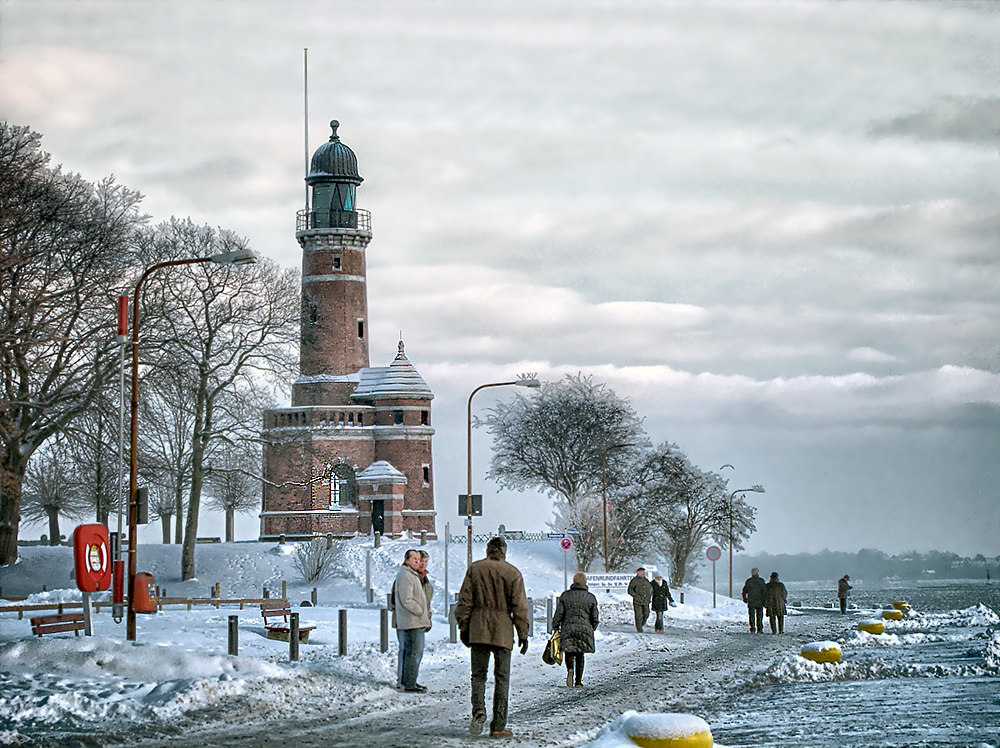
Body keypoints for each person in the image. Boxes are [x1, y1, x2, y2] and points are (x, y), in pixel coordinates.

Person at [455, 536, 530, 738]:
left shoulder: (475, 569)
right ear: (504, 551)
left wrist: (464, 626)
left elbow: (464, 601)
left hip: (478, 628)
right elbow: (520, 607)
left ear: (487, 550)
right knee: (502, 679)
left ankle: (478, 709)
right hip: (503, 631)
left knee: (478, 675)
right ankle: (498, 725)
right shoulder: (513, 573)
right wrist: (523, 633)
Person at [551, 571, 599, 687]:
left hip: (568, 627)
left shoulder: (565, 596)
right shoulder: (590, 597)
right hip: (584, 628)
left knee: (569, 651)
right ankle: (578, 681)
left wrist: (555, 626)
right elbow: (595, 616)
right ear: (585, 582)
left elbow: (559, 613)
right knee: (580, 655)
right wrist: (592, 627)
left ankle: (570, 670)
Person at [394, 548, 431, 693]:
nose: (418, 562)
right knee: (413, 652)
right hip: (411, 621)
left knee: (414, 652)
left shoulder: (411, 575)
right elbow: (406, 600)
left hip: (415, 620)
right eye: (414, 559)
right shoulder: (406, 576)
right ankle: (409, 683)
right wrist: (420, 610)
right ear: (406, 559)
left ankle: (410, 681)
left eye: (419, 559)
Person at [627, 567, 653, 633]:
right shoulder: (634, 580)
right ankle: (639, 629)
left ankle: (641, 624)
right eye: (641, 572)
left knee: (646, 614)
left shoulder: (646, 580)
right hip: (637, 601)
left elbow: (650, 588)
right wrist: (635, 595)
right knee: (638, 615)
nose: (643, 573)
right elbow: (630, 590)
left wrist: (650, 595)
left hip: (646, 601)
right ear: (638, 572)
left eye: (643, 572)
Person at [741, 567, 766, 633]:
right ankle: (759, 628)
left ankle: (752, 628)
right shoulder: (761, 581)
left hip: (751, 601)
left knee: (751, 615)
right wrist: (765, 600)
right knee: (759, 616)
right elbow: (765, 592)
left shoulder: (749, 581)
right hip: (760, 601)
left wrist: (745, 598)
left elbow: (744, 591)